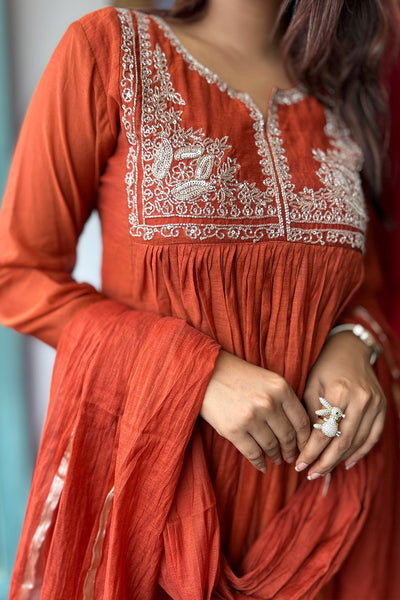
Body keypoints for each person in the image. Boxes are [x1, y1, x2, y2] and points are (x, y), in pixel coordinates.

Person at [0, 0, 399, 598]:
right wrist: (196, 373)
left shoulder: (341, 88)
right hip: (158, 515)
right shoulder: (110, 50)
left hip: (326, 521)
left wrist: (355, 342)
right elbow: (20, 274)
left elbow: (362, 287)